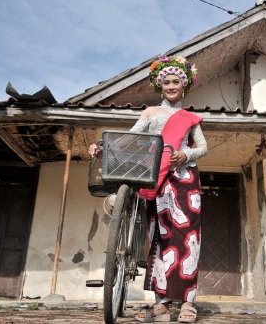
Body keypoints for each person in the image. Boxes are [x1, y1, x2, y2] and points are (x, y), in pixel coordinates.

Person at [89, 56, 207, 323]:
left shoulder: (190, 118)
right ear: (160, 85)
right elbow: (130, 138)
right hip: (156, 179)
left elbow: (203, 147)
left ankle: (188, 303)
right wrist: (102, 147)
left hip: (186, 180)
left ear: (184, 86)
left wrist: (184, 155)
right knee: (160, 238)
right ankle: (162, 305)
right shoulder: (150, 113)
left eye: (177, 81)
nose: (172, 86)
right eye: (167, 81)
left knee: (188, 239)